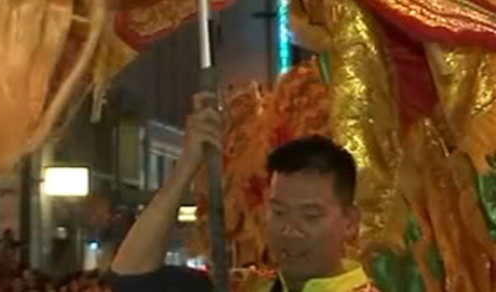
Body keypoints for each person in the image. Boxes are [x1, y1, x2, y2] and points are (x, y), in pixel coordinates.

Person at [108, 92, 377, 292]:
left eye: (310, 216)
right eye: (279, 211)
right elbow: (131, 276)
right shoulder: (244, 287)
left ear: (350, 222)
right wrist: (187, 166)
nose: (289, 230)